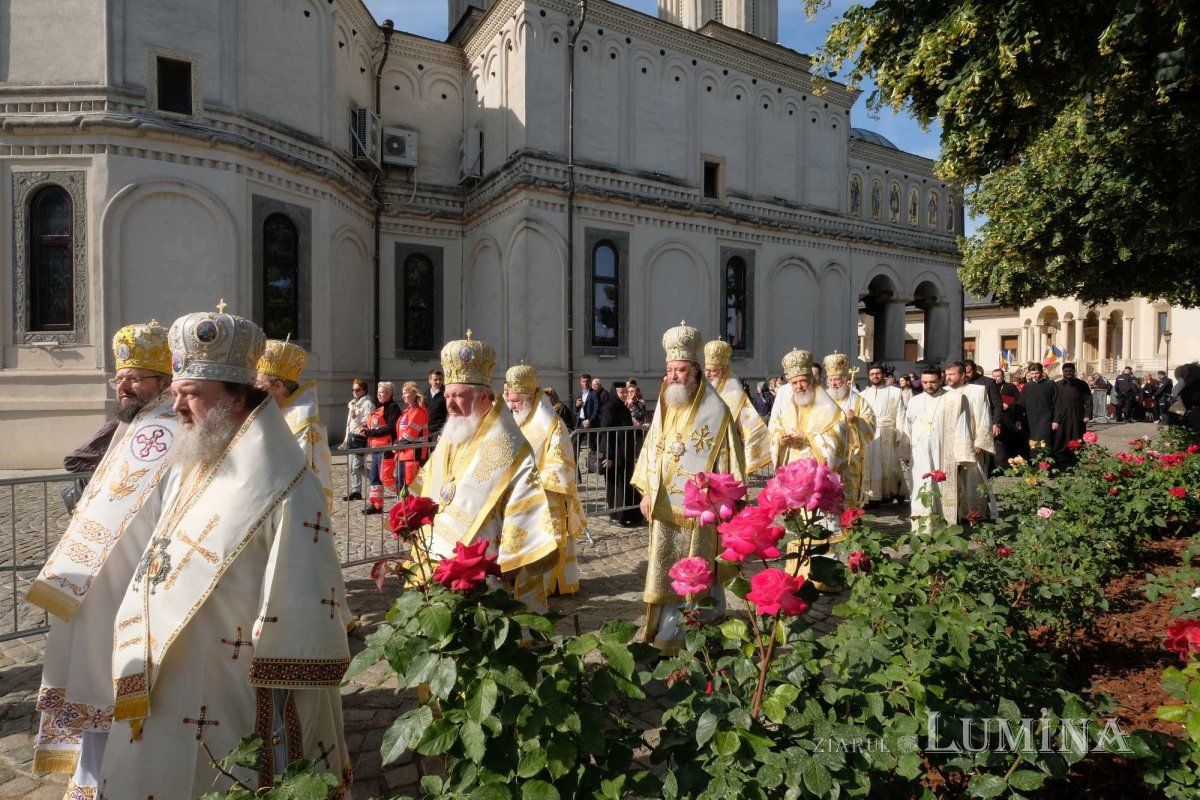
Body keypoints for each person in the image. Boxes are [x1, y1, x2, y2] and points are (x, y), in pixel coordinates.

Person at [99, 306, 351, 799]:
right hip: (165, 667)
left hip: (235, 676)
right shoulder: (191, 460)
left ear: (236, 399)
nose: (177, 409)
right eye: (175, 393)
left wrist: (277, 667)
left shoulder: (286, 482)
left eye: (190, 395)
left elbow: (302, 589)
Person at [29, 322, 178, 797]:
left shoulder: (170, 427)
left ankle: (122, 776)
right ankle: (93, 777)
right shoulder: (132, 424)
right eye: (120, 377)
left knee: (119, 677)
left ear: (163, 381)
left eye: (135, 377)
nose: (124, 384)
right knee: (95, 673)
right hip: (97, 576)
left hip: (134, 578)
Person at [410, 332, 558, 612]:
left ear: (484, 397)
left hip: (488, 558)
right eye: (447, 395)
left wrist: (514, 558)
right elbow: (433, 483)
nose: (450, 404)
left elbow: (524, 507)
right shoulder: (452, 433)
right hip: (442, 553)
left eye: (459, 396)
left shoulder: (510, 444)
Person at [632, 322, 745, 652]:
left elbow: (731, 471)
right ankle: (665, 634)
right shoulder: (667, 405)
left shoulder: (718, 413)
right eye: (670, 370)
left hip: (700, 516)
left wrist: (720, 506)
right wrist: (647, 492)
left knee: (697, 575)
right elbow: (653, 451)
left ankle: (696, 636)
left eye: (680, 370)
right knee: (664, 572)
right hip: (663, 510)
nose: (674, 376)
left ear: (696, 372)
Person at [503, 364, 587, 596]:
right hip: (520, 495)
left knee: (550, 540)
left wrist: (536, 484)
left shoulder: (553, 425)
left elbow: (561, 463)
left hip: (548, 497)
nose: (513, 406)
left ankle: (553, 584)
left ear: (531, 398)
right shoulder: (519, 421)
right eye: (511, 401)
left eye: (517, 401)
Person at [256, 339, 334, 509]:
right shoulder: (276, 412)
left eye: (260, 387)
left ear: (278, 386)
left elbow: (295, 479)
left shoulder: (304, 425)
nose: (256, 393)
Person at [901, 365, 973, 531]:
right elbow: (907, 427)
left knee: (943, 488)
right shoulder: (915, 400)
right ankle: (922, 527)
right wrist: (905, 451)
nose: (928, 386)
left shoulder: (955, 399)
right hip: (919, 454)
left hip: (944, 452)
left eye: (932, 382)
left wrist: (961, 456)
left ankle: (944, 529)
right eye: (925, 382)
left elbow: (963, 427)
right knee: (921, 487)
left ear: (941, 379)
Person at [767, 349, 848, 472]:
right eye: (794, 383)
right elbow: (774, 426)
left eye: (802, 381)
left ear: (811, 380)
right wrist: (780, 438)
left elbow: (839, 435)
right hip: (789, 466)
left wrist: (806, 437)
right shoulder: (789, 402)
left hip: (815, 468)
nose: (798, 386)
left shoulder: (826, 405)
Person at [705, 339, 772, 473]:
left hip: (728, 451)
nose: (707, 375)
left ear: (723, 371)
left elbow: (751, 427)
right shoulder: (704, 391)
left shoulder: (735, 393)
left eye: (713, 371)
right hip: (704, 449)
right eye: (706, 370)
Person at [823, 353, 876, 509]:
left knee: (849, 489)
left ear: (846, 379)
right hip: (827, 452)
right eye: (831, 379)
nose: (834, 383)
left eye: (837, 379)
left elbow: (870, 424)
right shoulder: (822, 399)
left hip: (850, 455)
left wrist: (855, 421)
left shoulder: (858, 401)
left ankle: (849, 519)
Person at [945, 361, 996, 520]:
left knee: (972, 480)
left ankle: (973, 514)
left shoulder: (978, 391)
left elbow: (985, 417)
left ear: (962, 375)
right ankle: (951, 514)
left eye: (952, 374)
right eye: (946, 375)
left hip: (972, 443)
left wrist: (981, 441)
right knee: (949, 479)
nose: (948, 378)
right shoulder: (943, 392)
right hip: (948, 444)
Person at [860, 362, 908, 505]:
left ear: (883, 375)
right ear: (869, 376)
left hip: (889, 431)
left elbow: (901, 414)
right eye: (872, 374)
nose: (875, 376)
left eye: (878, 374)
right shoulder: (863, 394)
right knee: (871, 465)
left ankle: (890, 493)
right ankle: (872, 495)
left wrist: (900, 436)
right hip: (869, 434)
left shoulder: (895, 392)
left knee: (891, 466)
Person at [599, 382, 641, 526]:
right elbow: (606, 433)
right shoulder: (608, 408)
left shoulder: (623, 408)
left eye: (625, 392)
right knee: (616, 485)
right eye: (621, 392)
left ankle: (630, 513)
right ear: (614, 393)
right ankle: (616, 516)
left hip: (625, 452)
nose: (624, 395)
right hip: (614, 453)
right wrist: (609, 455)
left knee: (627, 482)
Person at [362, 381, 402, 515]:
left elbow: (390, 427)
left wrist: (371, 432)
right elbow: (377, 425)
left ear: (389, 393)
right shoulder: (379, 408)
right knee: (374, 478)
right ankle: (376, 505)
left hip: (387, 449)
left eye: (382, 392)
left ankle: (406, 496)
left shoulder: (392, 407)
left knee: (386, 477)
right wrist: (367, 429)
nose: (379, 395)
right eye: (378, 392)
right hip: (376, 449)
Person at [337, 378, 374, 501]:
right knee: (351, 466)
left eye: (358, 390)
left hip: (360, 438)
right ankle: (356, 491)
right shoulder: (353, 403)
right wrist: (346, 439)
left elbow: (369, 421)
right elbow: (349, 424)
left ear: (364, 390)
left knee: (357, 466)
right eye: (353, 390)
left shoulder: (367, 404)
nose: (355, 392)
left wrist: (357, 417)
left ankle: (375, 478)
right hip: (352, 437)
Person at [1054, 363, 1091, 465]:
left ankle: (1077, 460)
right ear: (1063, 372)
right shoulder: (1057, 385)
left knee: (1077, 436)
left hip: (1077, 415)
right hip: (1062, 416)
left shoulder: (1082, 384)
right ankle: (1061, 460)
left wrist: (1087, 414)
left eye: (1070, 371)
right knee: (1061, 437)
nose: (1068, 373)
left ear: (1074, 371)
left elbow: (1088, 400)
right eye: (1066, 371)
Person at [395, 381, 430, 486]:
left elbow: (410, 434)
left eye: (405, 393)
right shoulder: (408, 411)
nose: (403, 396)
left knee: (410, 486)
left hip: (414, 454)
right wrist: (397, 442)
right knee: (403, 486)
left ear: (414, 393)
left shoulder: (418, 411)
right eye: (402, 393)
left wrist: (398, 445)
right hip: (404, 453)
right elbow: (402, 433)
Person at [1018, 362, 1057, 451]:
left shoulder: (1050, 384)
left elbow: (1057, 403)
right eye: (1032, 373)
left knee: (1045, 442)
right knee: (1033, 442)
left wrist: (1056, 420)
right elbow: (1021, 404)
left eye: (1037, 373)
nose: (1034, 376)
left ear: (1041, 372)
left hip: (1046, 419)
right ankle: (1035, 463)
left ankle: (1045, 464)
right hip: (1030, 420)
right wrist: (1018, 418)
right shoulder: (1027, 386)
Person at [993, 383, 1031, 471]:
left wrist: (1009, 405)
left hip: (1012, 421)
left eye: (998, 376)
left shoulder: (1009, 387)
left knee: (1015, 444)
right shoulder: (992, 387)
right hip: (999, 421)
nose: (996, 378)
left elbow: (1018, 401)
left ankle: (1019, 466)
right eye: (994, 376)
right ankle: (1002, 467)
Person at [425, 368, 447, 441]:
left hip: (440, 431)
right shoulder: (426, 394)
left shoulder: (446, 393)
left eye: (440, 379)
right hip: (427, 431)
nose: (438, 382)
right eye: (435, 379)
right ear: (430, 381)